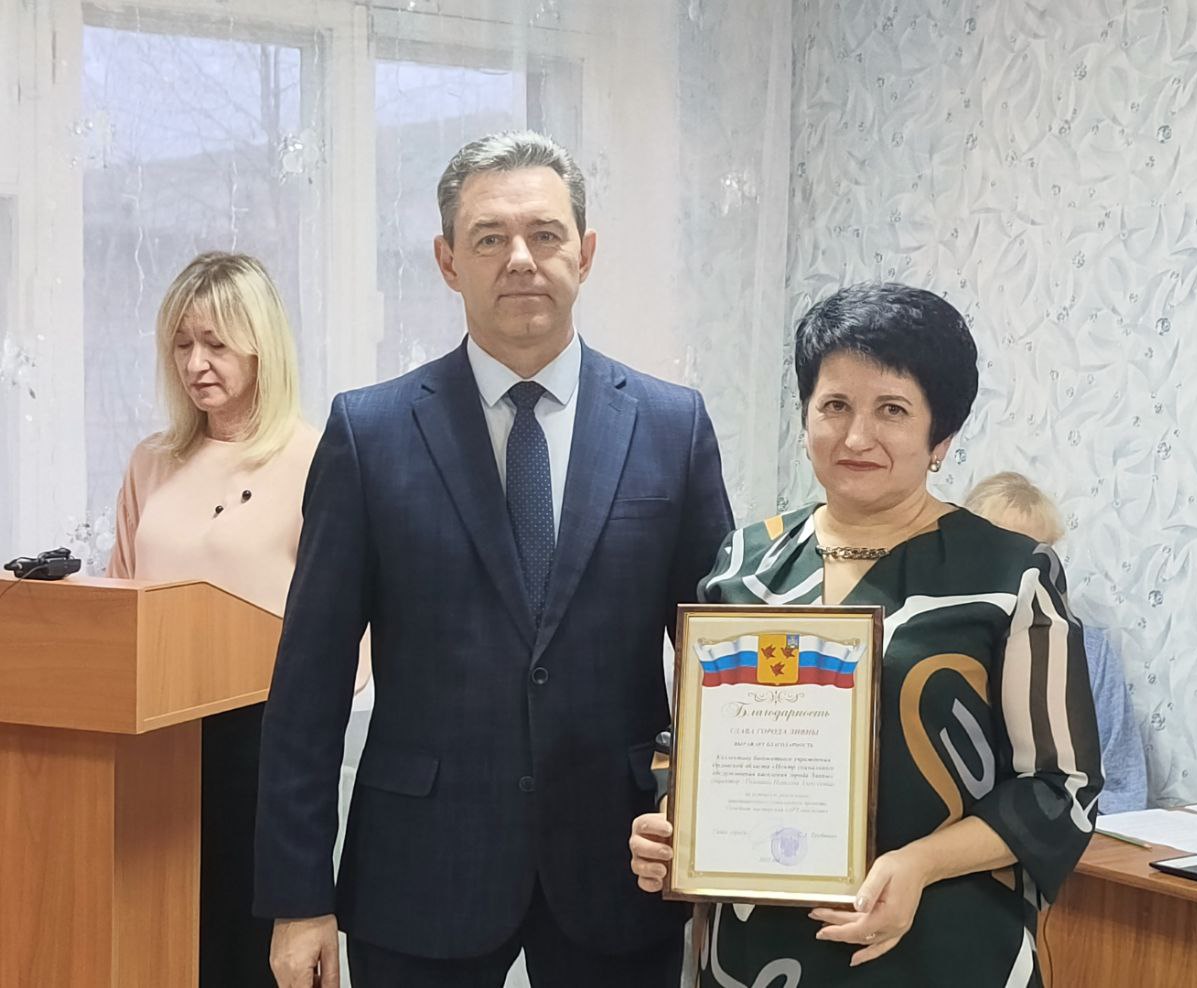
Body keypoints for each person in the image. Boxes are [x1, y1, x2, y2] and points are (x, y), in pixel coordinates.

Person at [254, 131, 735, 988]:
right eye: (489, 238)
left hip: (624, 865)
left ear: (585, 253)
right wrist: (299, 899)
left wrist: (722, 848)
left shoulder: (671, 426)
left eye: (545, 234)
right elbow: (308, 686)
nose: (520, 258)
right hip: (420, 870)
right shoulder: (370, 434)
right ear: (448, 261)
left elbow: (723, 664)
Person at [630, 283, 1103, 986]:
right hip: (753, 950)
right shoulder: (746, 564)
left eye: (892, 410)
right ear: (805, 416)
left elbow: (1062, 788)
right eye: (835, 406)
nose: (856, 437)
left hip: (938, 943)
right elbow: (693, 743)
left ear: (941, 437)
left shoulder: (1010, 574)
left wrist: (919, 865)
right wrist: (671, 824)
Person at [107, 251, 370, 987]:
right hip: (152, 747)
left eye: (216, 343)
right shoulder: (151, 462)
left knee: (244, 953)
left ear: (261, 346)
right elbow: (122, 599)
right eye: (182, 344)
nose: (196, 364)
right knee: (159, 947)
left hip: (262, 749)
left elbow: (352, 635)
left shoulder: (319, 458)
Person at [965, 471, 1147, 813]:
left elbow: (1123, 789)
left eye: (1039, 556)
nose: (1028, 573)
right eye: (1007, 554)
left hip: (1071, 832)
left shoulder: (1091, 652)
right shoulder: (943, 647)